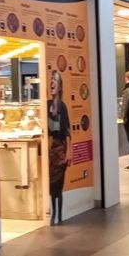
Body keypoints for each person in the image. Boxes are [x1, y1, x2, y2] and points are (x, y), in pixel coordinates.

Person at [48, 70, 71, 225]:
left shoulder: (63, 107)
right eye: (51, 79)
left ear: (60, 86)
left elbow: (67, 131)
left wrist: (69, 152)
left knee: (59, 186)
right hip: (50, 152)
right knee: (51, 186)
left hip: (61, 151)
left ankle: (60, 216)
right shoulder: (47, 105)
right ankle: (53, 215)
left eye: (55, 80)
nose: (52, 82)